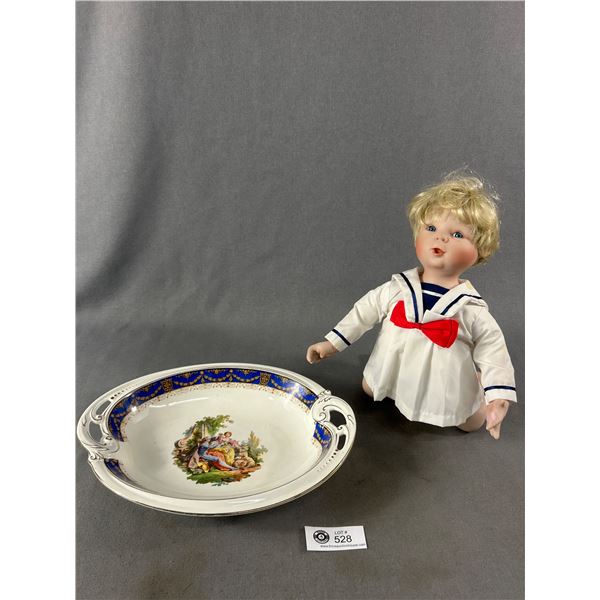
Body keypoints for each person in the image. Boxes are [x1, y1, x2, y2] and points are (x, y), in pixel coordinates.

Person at [306, 171, 516, 439]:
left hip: (443, 378)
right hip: (396, 363)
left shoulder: (470, 310)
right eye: (431, 229)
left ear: (479, 251)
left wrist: (498, 396)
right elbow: (364, 312)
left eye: (457, 234)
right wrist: (332, 343)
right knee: (371, 387)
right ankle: (390, 387)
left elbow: (493, 350)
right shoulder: (397, 289)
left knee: (469, 420)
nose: (441, 238)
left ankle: (475, 394)